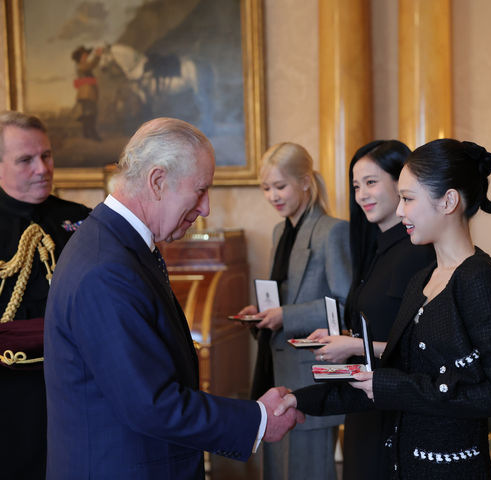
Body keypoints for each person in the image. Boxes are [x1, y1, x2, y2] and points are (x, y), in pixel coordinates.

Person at [43, 118, 303, 480]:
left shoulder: (119, 246)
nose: (206, 208)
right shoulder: (106, 268)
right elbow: (151, 405)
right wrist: (257, 421)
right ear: (158, 181)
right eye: (199, 190)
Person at [276, 138, 491, 479]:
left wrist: (394, 387)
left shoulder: (478, 276)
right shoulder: (422, 279)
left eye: (408, 199)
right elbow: (389, 375)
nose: (399, 210)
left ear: (448, 201)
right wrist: (299, 399)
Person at [305, 140, 435, 480]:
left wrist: (353, 346)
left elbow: (421, 346)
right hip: (365, 401)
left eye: (372, 182)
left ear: (402, 182)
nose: (362, 194)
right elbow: (379, 327)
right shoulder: (376, 249)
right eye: (356, 186)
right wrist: (344, 338)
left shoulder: (416, 251)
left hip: (396, 406)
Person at [236, 141, 352, 480]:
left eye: (280, 186)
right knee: (277, 470)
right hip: (275, 369)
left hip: (311, 374)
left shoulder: (332, 231)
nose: (273, 195)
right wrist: (260, 314)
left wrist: (287, 316)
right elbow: (284, 296)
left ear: (305, 181)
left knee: (309, 472)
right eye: (266, 188)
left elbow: (344, 307)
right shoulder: (279, 231)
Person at [0, 111, 91, 480]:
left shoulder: (82, 220)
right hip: (8, 398)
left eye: (47, 155)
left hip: (74, 389)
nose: (42, 168)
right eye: (26, 160)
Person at [71, 45, 103, 141]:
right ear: (80, 57)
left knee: (88, 113)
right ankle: (93, 134)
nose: (86, 57)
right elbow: (91, 65)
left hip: (88, 94)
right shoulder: (82, 65)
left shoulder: (83, 65)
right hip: (86, 94)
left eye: (86, 55)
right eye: (84, 55)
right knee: (91, 113)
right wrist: (97, 56)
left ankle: (86, 133)